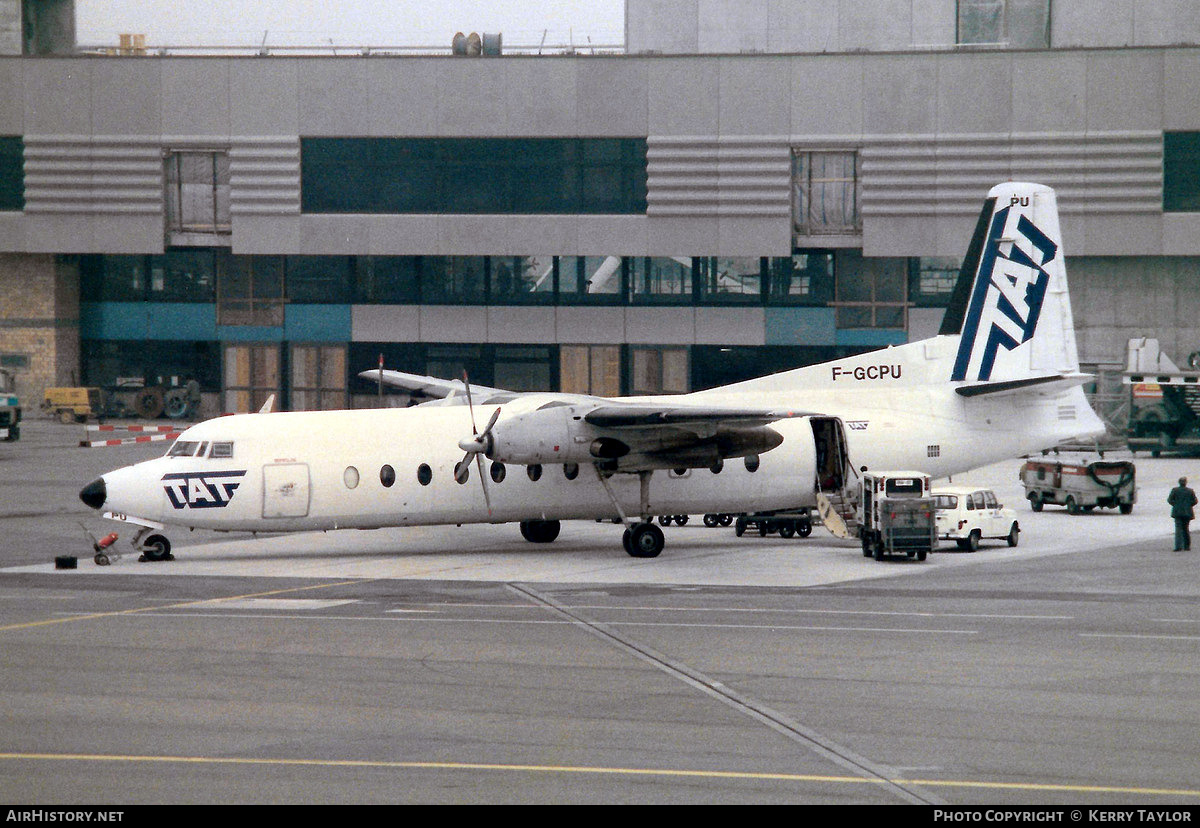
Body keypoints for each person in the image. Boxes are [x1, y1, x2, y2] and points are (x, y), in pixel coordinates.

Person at [1168, 476, 1197, 551]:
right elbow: (1195, 501)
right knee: (1186, 529)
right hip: (1187, 512)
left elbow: (1170, 500)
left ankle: (1178, 546)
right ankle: (1187, 546)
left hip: (1177, 512)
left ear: (1179, 482)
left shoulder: (1175, 490)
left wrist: (1176, 505)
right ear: (1186, 483)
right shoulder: (1190, 491)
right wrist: (1188, 505)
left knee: (1178, 529)